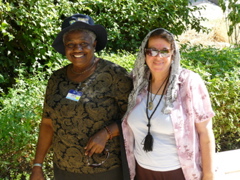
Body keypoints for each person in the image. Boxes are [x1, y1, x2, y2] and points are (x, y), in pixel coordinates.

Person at [30, 14, 132, 180]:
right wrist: (37, 165)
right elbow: (48, 124)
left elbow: (135, 117)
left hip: (105, 170)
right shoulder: (56, 79)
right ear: (65, 47)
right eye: (71, 44)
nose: (77, 49)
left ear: (94, 44)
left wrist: (107, 133)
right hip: (64, 169)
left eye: (83, 43)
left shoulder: (115, 75)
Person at [121, 28, 216, 180]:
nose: (158, 56)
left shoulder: (188, 82)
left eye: (164, 51)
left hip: (178, 173)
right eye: (152, 50)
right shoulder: (137, 82)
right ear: (144, 54)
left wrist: (209, 176)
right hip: (141, 172)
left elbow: (205, 132)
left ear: (173, 54)